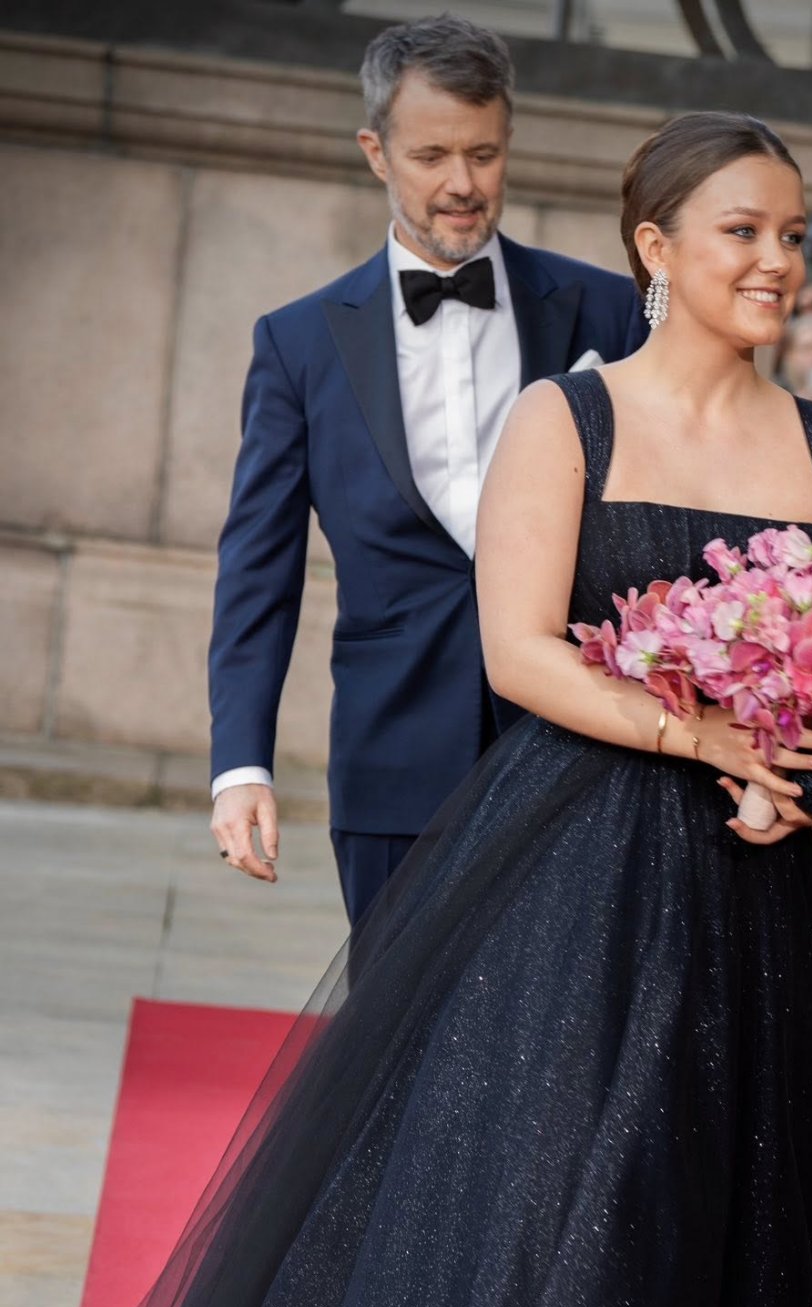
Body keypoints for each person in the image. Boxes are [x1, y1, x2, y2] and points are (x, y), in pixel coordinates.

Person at [89, 111, 812, 1307]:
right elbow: (522, 651)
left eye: (795, 234)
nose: (778, 261)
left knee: (723, 1202)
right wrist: (700, 738)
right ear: (657, 247)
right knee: (577, 1201)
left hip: (754, 897)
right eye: (744, 231)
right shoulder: (568, 416)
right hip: (577, 867)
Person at [208, 15, 644, 926]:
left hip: (581, 758)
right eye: (432, 155)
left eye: (484, 154)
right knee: (393, 1011)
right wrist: (240, 764)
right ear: (376, 153)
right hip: (391, 758)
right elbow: (258, 568)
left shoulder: (609, 311)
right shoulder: (298, 344)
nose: (462, 185)